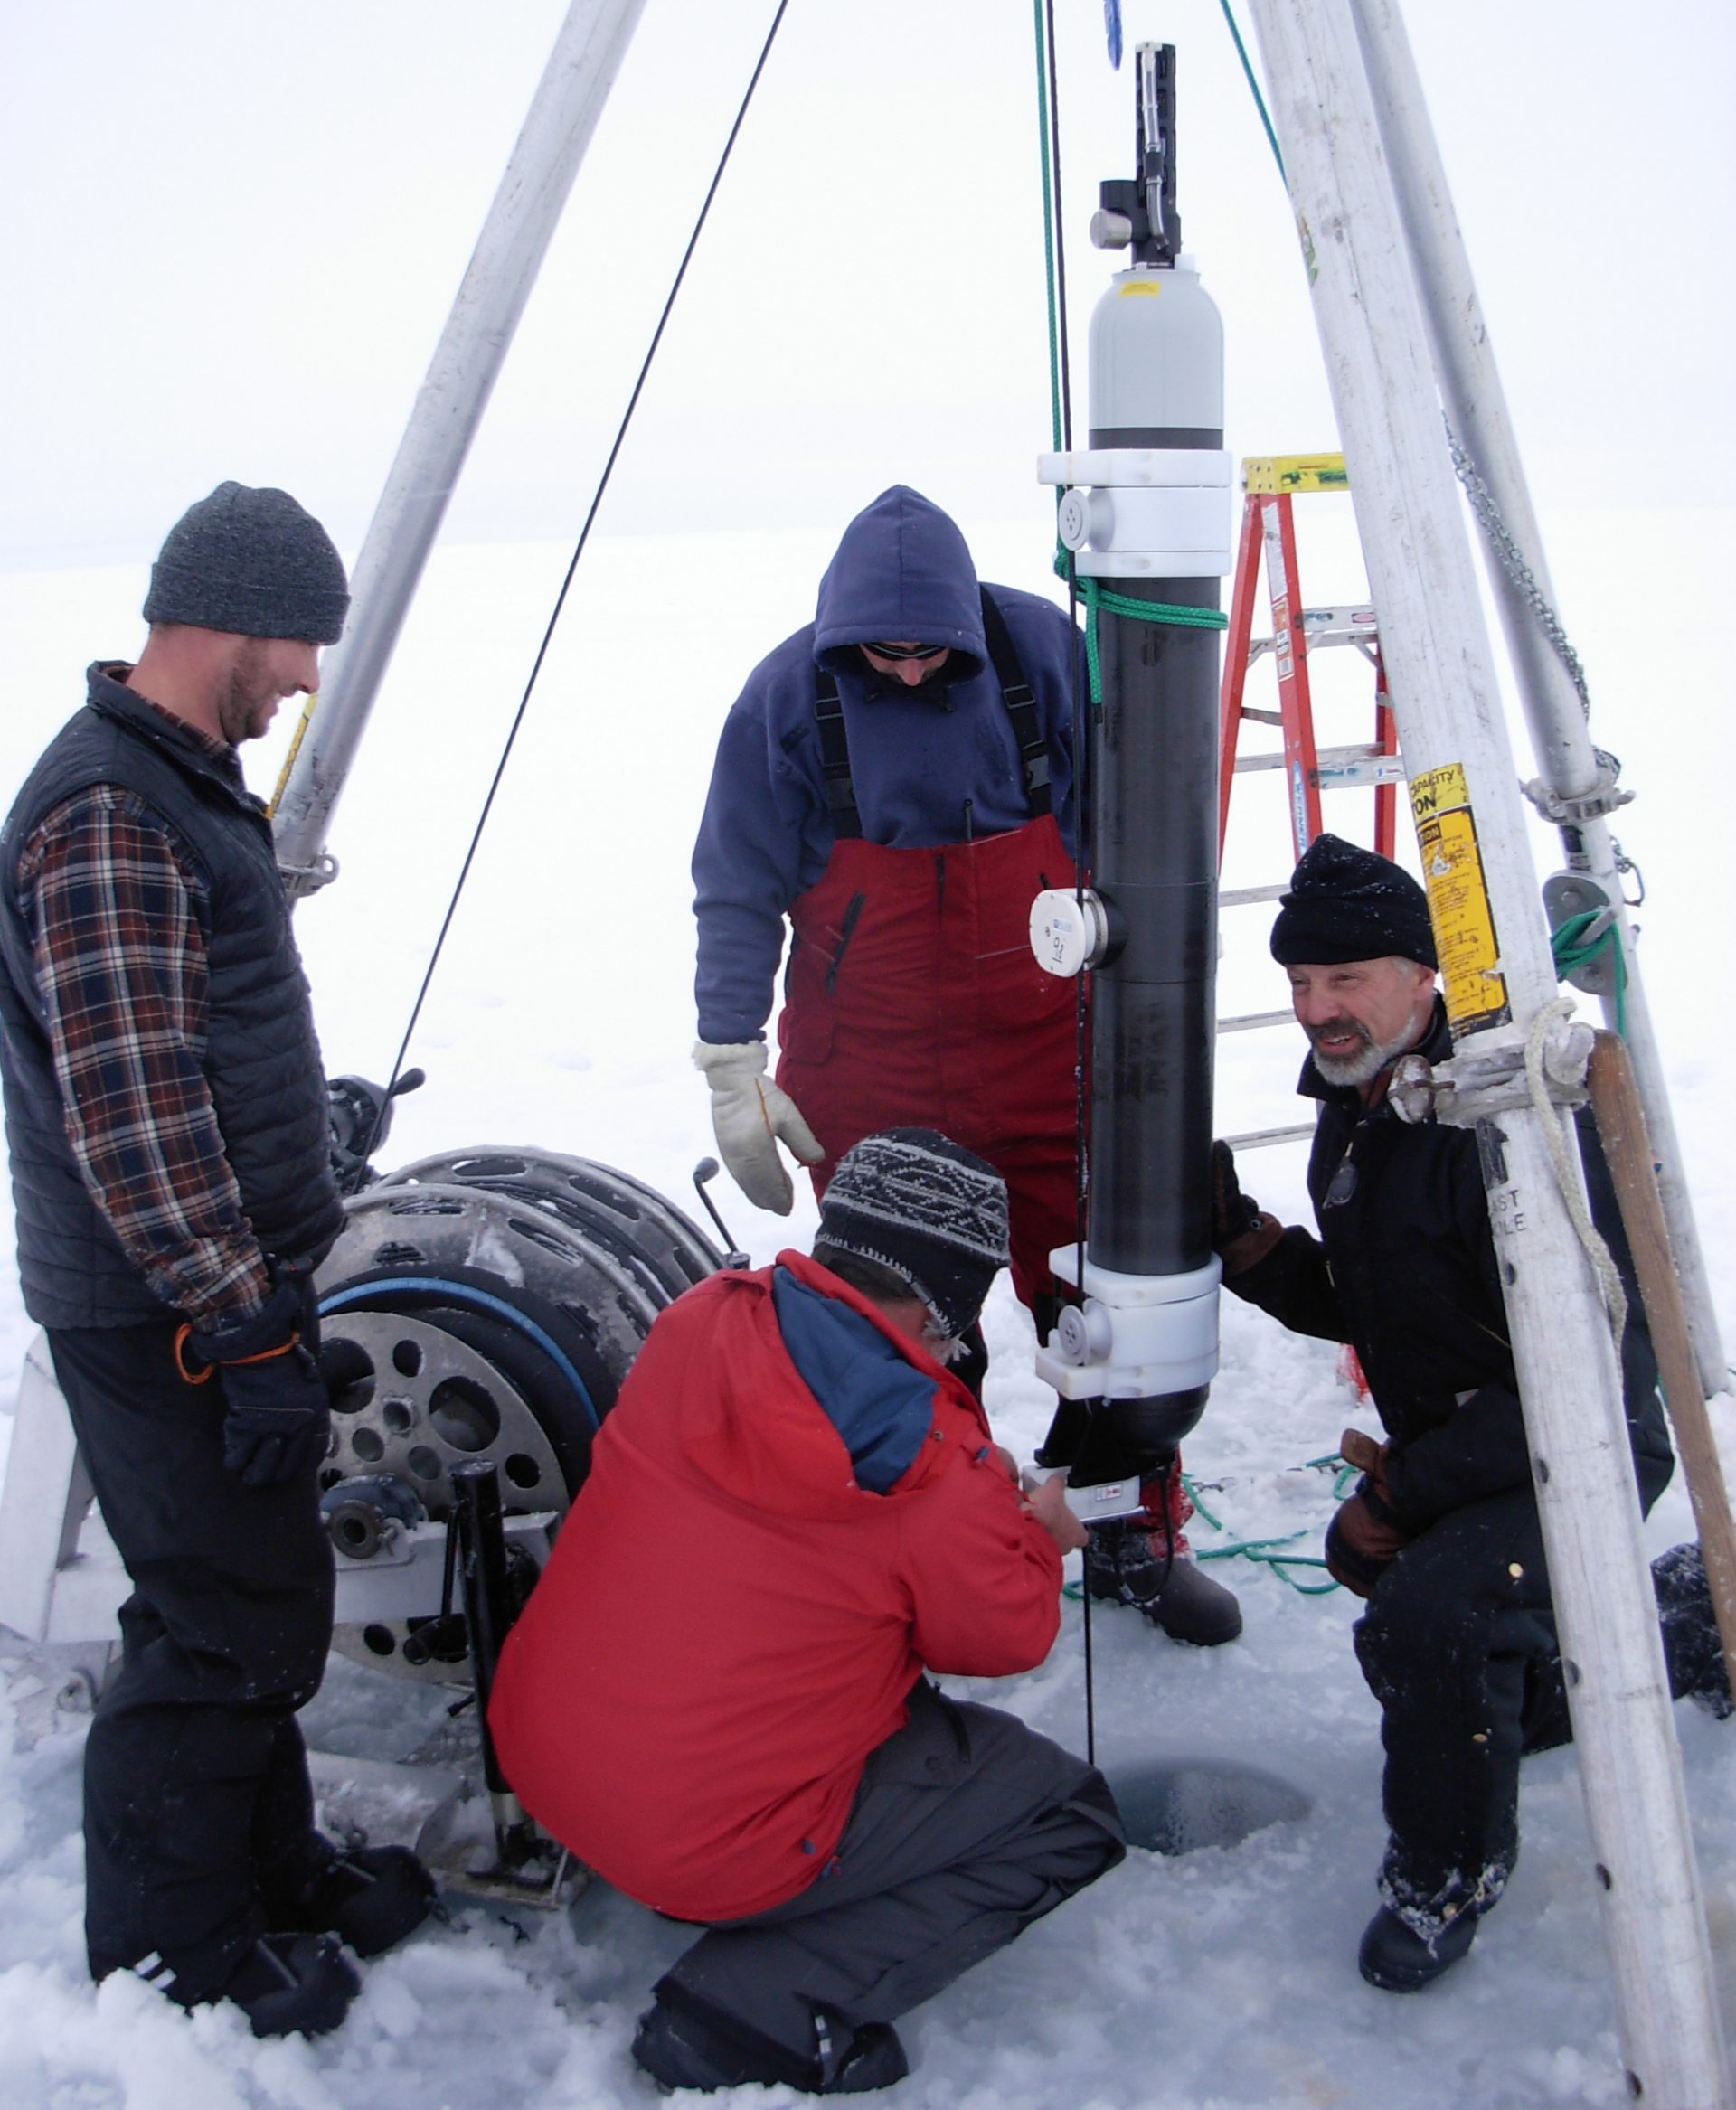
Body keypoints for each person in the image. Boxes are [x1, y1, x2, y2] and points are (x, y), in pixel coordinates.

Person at [0, 484, 435, 2038]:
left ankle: (276, 1867)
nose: (309, 678)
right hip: (167, 1304)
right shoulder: (111, 810)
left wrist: (301, 1129)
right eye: (299, 645)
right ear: (224, 624)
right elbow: (128, 1114)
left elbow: (190, 1041)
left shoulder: (174, 781)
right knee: (220, 1622)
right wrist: (245, 1322)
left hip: (214, 1281)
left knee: (247, 1592)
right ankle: (173, 1950)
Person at [690, 482, 1241, 1645]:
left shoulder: (1044, 654)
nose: (898, 671)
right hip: (871, 1064)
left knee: (1108, 1301)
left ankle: (1132, 1528)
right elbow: (736, 887)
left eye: (922, 652)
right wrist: (728, 1054)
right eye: (876, 654)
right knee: (892, 1324)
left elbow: (1135, 830)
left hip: (1048, 1048)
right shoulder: (785, 699)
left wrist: (1155, 994)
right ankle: (915, 1556)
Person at [490, 1128, 1127, 2095]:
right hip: (697, 1842)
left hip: (543, 1758)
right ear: (932, 1301)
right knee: (1064, 1812)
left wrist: (957, 1500)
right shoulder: (923, 1456)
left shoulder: (702, 1317)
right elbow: (1001, 1637)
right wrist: (1039, 1537)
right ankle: (754, 2011)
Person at [1212, 833, 1729, 1992]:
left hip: (1582, 1430)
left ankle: (1444, 1875)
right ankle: (1653, 1631)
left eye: (1345, 980)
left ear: (1420, 973)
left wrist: (1404, 1489)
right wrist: (1250, 1250)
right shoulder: (1362, 1097)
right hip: (1475, 1428)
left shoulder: (1513, 1108)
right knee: (1409, 1585)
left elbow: (1584, 1367)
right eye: (1299, 983)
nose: (1317, 1009)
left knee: (1425, 1615)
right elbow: (1388, 1304)